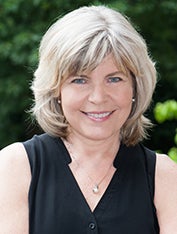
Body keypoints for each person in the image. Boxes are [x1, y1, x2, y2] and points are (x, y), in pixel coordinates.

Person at [0, 5, 177, 234]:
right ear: (56, 89)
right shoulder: (14, 167)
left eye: (114, 79)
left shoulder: (164, 176)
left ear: (135, 87)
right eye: (80, 80)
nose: (98, 97)